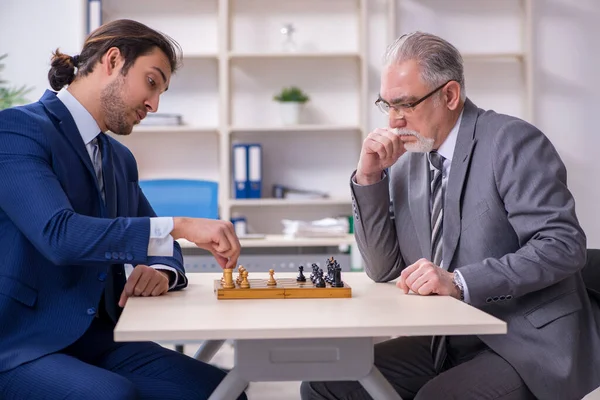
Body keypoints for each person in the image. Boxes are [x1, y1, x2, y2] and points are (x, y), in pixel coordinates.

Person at [301, 32, 600, 400]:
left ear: (450, 95)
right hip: (448, 341)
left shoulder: (511, 141)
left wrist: (459, 281)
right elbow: (382, 268)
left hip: (525, 343)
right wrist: (369, 178)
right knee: (326, 384)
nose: (394, 122)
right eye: (387, 105)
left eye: (405, 104)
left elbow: (563, 246)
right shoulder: (407, 160)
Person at [0, 19, 246, 400]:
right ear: (113, 60)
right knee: (112, 395)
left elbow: (160, 243)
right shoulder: (17, 130)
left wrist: (161, 271)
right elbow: (59, 236)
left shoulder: (118, 159)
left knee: (223, 390)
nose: (154, 104)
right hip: (22, 345)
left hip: (99, 341)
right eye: (151, 82)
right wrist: (179, 225)